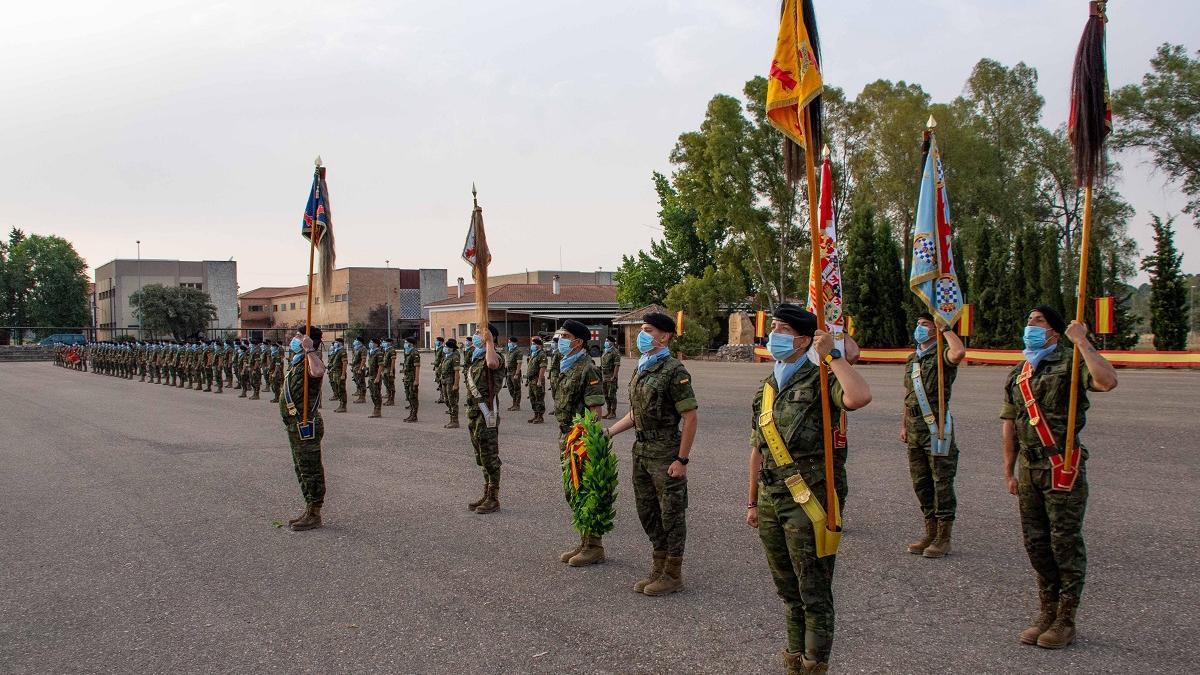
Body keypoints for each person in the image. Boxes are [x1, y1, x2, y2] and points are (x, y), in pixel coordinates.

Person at [746, 304, 872, 673]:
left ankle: (815, 664)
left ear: (803, 340)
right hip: (771, 499)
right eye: (773, 327)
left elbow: (860, 396)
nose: (774, 335)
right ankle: (794, 660)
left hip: (810, 498)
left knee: (813, 591)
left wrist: (832, 354)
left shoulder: (822, 379)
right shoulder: (768, 386)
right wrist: (752, 500)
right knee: (788, 591)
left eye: (783, 329)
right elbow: (758, 447)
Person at [1001, 306, 1117, 650]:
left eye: (1037, 321)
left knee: (1064, 543)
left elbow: (1107, 381)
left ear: (1054, 330)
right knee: (1036, 544)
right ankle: (1046, 610)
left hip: (1061, 466)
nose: (1030, 326)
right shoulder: (1019, 371)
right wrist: (1008, 470)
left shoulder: (1072, 362)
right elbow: (1009, 424)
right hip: (1029, 469)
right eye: (1028, 321)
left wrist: (1082, 342)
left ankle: (1066, 618)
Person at [605, 312, 697, 596]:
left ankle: (673, 573)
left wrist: (681, 460)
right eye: (641, 329)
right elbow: (637, 413)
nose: (641, 334)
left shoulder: (674, 370)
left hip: (666, 450)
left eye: (647, 330)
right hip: (642, 450)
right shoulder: (643, 367)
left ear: (665, 336)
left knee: (671, 513)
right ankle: (658, 565)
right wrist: (609, 432)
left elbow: (690, 417)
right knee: (647, 511)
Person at [902, 312, 966, 558]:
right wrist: (904, 425)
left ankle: (943, 537)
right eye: (917, 323)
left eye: (925, 324)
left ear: (935, 329)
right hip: (915, 427)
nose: (919, 328)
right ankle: (929, 531)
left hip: (936, 428)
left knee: (941, 483)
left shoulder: (942, 356)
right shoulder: (912, 359)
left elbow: (958, 353)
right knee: (922, 483)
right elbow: (907, 396)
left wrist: (946, 328)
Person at [552, 320, 607, 566]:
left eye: (565, 336)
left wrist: (585, 442)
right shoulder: (566, 366)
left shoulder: (587, 369)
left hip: (580, 439)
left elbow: (595, 410)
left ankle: (594, 545)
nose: (560, 340)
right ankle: (584, 539)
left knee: (585, 489)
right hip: (566, 437)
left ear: (578, 342)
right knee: (572, 491)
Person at [281, 327, 328, 532]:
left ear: (307, 340)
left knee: (310, 469)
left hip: (305, 424)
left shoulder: (310, 360)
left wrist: (309, 350)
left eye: (298, 336)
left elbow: (318, 371)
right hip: (295, 424)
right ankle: (309, 508)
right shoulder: (298, 362)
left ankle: (314, 513)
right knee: (301, 468)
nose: (294, 339)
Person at [464, 324, 504, 513]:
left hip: (487, 413)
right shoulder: (475, 358)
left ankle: (494, 498)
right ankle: (487, 492)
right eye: (476, 332)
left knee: (490, 457)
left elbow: (492, 364)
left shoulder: (496, 357)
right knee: (481, 457)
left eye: (480, 332)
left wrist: (489, 342)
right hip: (474, 414)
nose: (476, 335)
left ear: (491, 337)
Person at [525, 336, 547, 424]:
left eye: (534, 344)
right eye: (532, 344)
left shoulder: (541, 354)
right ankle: (535, 415)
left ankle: (540, 417)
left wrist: (539, 380)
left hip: (537, 379)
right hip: (531, 380)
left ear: (539, 345)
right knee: (532, 398)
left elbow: (543, 367)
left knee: (539, 398)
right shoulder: (534, 354)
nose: (532, 345)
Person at [440, 338, 461, 429]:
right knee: (446, 400)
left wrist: (456, 385)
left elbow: (457, 373)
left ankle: (455, 421)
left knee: (452, 401)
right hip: (444, 381)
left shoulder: (454, 358)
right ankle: (451, 419)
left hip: (450, 382)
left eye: (446, 346)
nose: (444, 348)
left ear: (451, 348)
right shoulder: (446, 356)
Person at [600, 335, 621, 419]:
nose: (606, 342)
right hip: (604, 376)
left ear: (612, 342)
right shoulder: (605, 351)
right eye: (606, 340)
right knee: (606, 395)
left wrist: (614, 376)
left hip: (611, 376)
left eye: (608, 341)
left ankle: (613, 412)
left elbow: (617, 365)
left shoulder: (615, 352)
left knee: (611, 395)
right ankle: (608, 411)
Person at [327, 337, 348, 413]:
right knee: (338, 389)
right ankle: (341, 405)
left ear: (340, 343)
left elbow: (344, 364)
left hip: (339, 373)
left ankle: (343, 406)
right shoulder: (337, 351)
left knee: (341, 390)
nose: (334, 343)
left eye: (336, 342)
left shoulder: (342, 351)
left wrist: (343, 374)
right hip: (335, 373)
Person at [402, 337, 420, 423]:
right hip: (407, 377)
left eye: (406, 342)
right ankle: (411, 414)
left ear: (411, 344)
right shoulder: (407, 352)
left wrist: (416, 380)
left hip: (412, 377)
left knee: (413, 397)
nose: (405, 344)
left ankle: (414, 416)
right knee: (409, 396)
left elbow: (417, 367)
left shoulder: (414, 353)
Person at [504, 336, 523, 411]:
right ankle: (514, 403)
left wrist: (517, 374)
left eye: (509, 342)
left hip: (514, 372)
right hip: (508, 372)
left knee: (517, 389)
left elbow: (519, 363)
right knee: (510, 388)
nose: (508, 343)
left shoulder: (518, 351)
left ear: (514, 342)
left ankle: (517, 405)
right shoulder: (510, 351)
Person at [366, 338, 384, 418]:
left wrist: (378, 377)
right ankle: (375, 409)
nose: (370, 343)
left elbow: (381, 366)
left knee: (376, 394)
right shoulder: (371, 353)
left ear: (376, 344)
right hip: (371, 376)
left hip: (376, 376)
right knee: (373, 394)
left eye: (371, 342)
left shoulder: (378, 353)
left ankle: (378, 410)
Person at [351, 337, 367, 404]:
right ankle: (360, 396)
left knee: (361, 383)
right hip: (355, 367)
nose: (355, 341)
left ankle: (362, 398)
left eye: (356, 340)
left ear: (360, 341)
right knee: (358, 382)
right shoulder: (356, 348)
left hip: (359, 367)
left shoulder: (363, 349)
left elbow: (363, 359)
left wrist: (360, 368)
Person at [382, 338, 397, 406]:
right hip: (385, 369)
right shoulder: (386, 350)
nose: (384, 343)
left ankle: (391, 400)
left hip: (389, 369)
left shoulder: (392, 350)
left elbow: (393, 361)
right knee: (387, 384)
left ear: (390, 343)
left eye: (385, 342)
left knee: (391, 385)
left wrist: (391, 371)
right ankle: (389, 399)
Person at [433, 336, 446, 404]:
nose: (436, 342)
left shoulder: (443, 349)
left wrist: (440, 367)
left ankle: (443, 397)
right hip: (437, 368)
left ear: (440, 342)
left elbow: (443, 359)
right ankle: (441, 397)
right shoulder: (438, 348)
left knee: (441, 383)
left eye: (437, 341)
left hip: (440, 368)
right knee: (439, 383)